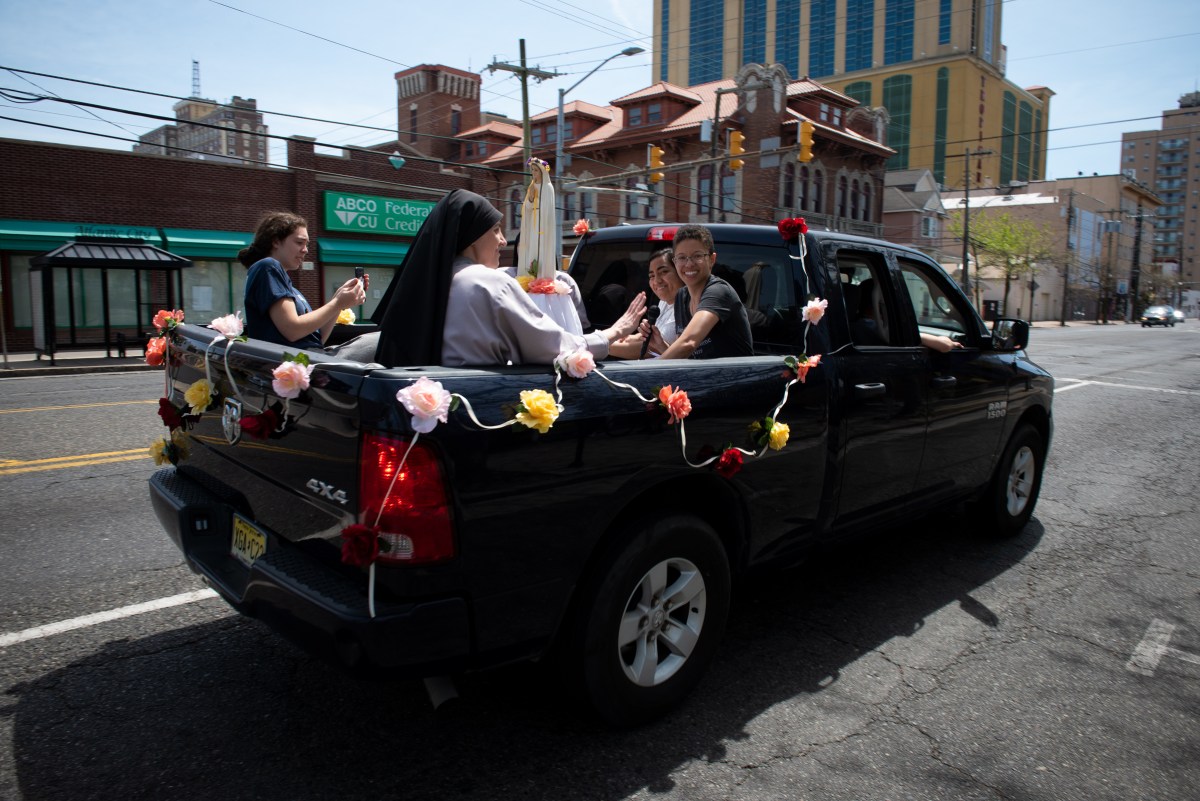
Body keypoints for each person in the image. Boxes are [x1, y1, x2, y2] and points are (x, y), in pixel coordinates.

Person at [371, 189, 645, 367]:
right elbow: (551, 346)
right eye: (496, 230)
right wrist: (612, 333)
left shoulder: (431, 284)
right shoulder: (489, 282)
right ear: (473, 234)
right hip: (475, 405)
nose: (503, 241)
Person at [240, 211, 366, 349]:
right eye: (300, 242)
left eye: (307, 244)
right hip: (288, 363)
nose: (305, 250)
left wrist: (339, 300)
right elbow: (292, 330)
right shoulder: (267, 267)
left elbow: (318, 339)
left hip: (310, 360)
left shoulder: (291, 289)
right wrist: (337, 303)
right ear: (276, 241)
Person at [647, 225, 752, 359]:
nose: (689, 264)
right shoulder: (681, 296)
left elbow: (688, 343)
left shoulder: (718, 291)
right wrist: (661, 346)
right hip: (700, 377)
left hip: (733, 378)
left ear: (712, 259)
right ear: (675, 261)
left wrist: (651, 372)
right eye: (682, 257)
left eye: (697, 256)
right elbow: (686, 355)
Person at [609, 247, 681, 359]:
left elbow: (651, 349)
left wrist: (600, 346)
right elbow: (654, 338)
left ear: (680, 271)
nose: (657, 281)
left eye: (664, 272)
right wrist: (628, 338)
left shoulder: (690, 306)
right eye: (652, 276)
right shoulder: (663, 302)